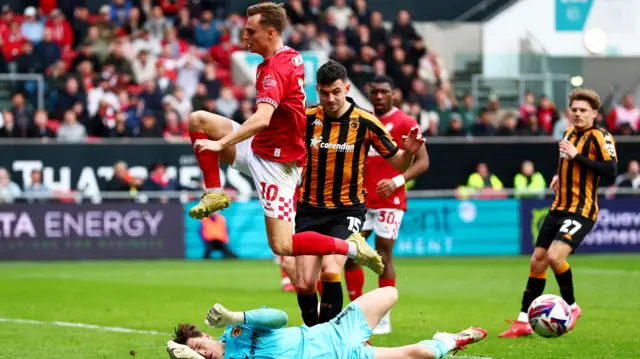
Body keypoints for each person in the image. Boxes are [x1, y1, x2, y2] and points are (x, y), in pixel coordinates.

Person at [185, 2, 382, 271]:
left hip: (276, 166)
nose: (245, 37)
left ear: (270, 32)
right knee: (198, 120)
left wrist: (220, 144)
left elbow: (263, 118)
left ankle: (350, 246)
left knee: (282, 245)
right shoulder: (290, 56)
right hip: (259, 147)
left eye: (250, 31)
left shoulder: (274, 68)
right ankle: (214, 193)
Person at [283, 62, 426, 328]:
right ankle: (316, 333)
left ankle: (328, 338)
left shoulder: (366, 122)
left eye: (336, 91)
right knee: (303, 283)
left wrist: (408, 152)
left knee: (331, 270)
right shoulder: (306, 118)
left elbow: (398, 163)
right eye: (324, 93)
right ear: (318, 90)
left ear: (347, 88)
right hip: (309, 210)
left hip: (346, 211)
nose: (330, 98)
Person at [499, 89, 618, 338]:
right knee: (537, 261)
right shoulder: (567, 133)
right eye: (574, 109)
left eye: (583, 110)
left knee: (555, 256)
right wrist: (559, 176)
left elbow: (610, 171)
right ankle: (523, 322)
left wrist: (578, 156)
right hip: (557, 208)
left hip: (581, 210)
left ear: (594, 113)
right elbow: (566, 162)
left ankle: (572, 308)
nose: (577, 114)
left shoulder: (600, 136)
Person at [166, 287, 488, 359]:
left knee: (390, 293)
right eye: (195, 355)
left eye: (198, 346)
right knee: (425, 355)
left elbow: (279, 318)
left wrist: (236, 316)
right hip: (342, 357)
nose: (202, 353)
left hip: (333, 331)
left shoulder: (235, 331)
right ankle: (451, 338)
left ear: (206, 335)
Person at [343, 75, 430, 335]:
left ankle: (383, 317)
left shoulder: (405, 122)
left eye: (384, 92)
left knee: (383, 255)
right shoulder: (362, 119)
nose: (378, 96)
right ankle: (355, 312)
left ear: (394, 94)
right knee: (349, 253)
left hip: (390, 200)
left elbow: (423, 162)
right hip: (359, 199)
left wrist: (397, 180)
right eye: (374, 92)